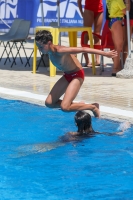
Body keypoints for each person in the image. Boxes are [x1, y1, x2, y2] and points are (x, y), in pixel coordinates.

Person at [35, 30, 117, 118]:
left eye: (41, 47)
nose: (39, 49)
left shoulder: (60, 50)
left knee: (65, 107)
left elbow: (83, 49)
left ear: (49, 43)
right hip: (67, 75)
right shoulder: (49, 52)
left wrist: (105, 53)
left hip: (77, 75)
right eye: (38, 47)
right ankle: (76, 105)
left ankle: (93, 107)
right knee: (49, 103)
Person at [15, 111, 130, 157]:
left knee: (30, 150)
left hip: (56, 144)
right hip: (69, 147)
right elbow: (116, 134)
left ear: (76, 123)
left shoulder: (70, 133)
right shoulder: (94, 134)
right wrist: (124, 128)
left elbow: (61, 139)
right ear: (90, 122)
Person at [77, 0, 104, 67]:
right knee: (86, 35)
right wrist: (82, 12)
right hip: (89, 9)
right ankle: (87, 60)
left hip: (99, 10)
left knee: (97, 35)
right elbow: (79, 1)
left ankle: (97, 60)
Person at [106, 0, 126, 76]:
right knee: (118, 47)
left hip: (112, 21)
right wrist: (127, 3)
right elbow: (125, 11)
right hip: (117, 21)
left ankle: (117, 67)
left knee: (117, 47)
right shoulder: (118, 0)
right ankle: (115, 68)